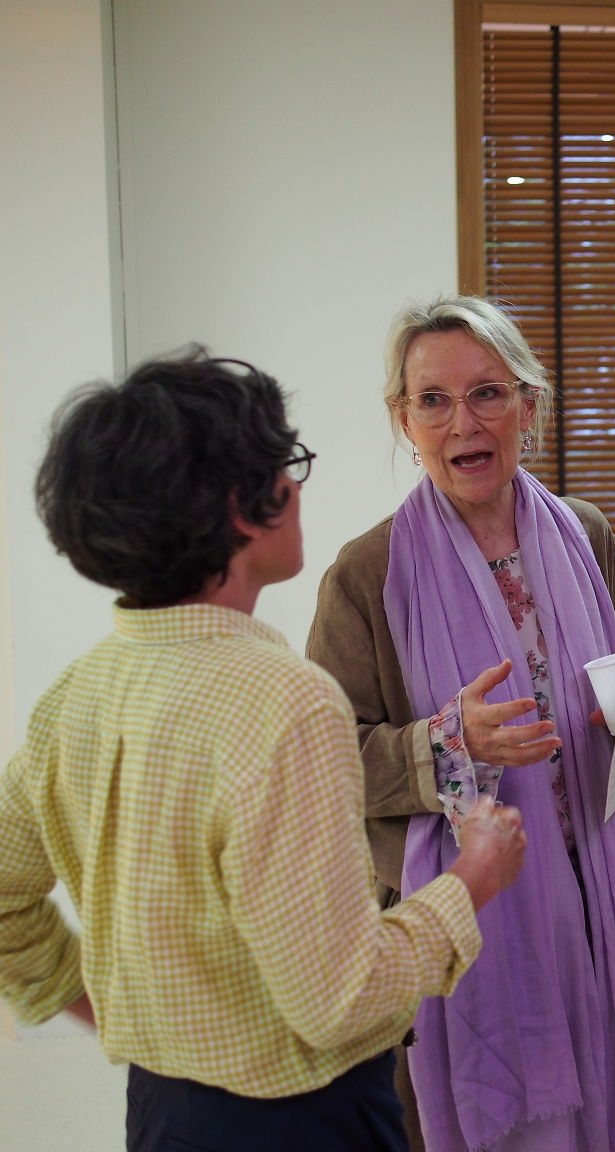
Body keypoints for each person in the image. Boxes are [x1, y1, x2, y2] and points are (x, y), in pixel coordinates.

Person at [0, 350, 528, 1152]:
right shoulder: (286, 702)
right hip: (302, 1121)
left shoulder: (75, 696)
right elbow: (341, 1000)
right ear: (242, 507)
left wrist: (115, 1011)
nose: (297, 486)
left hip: (161, 1111)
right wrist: (474, 876)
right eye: (287, 464)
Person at [306, 294, 615, 1152]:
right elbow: (324, 765)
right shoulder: (365, 574)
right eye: (433, 400)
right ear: (404, 420)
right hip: (463, 910)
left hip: (597, 895)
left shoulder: (587, 535)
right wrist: (446, 744)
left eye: (487, 393)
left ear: (528, 405)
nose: (463, 422)